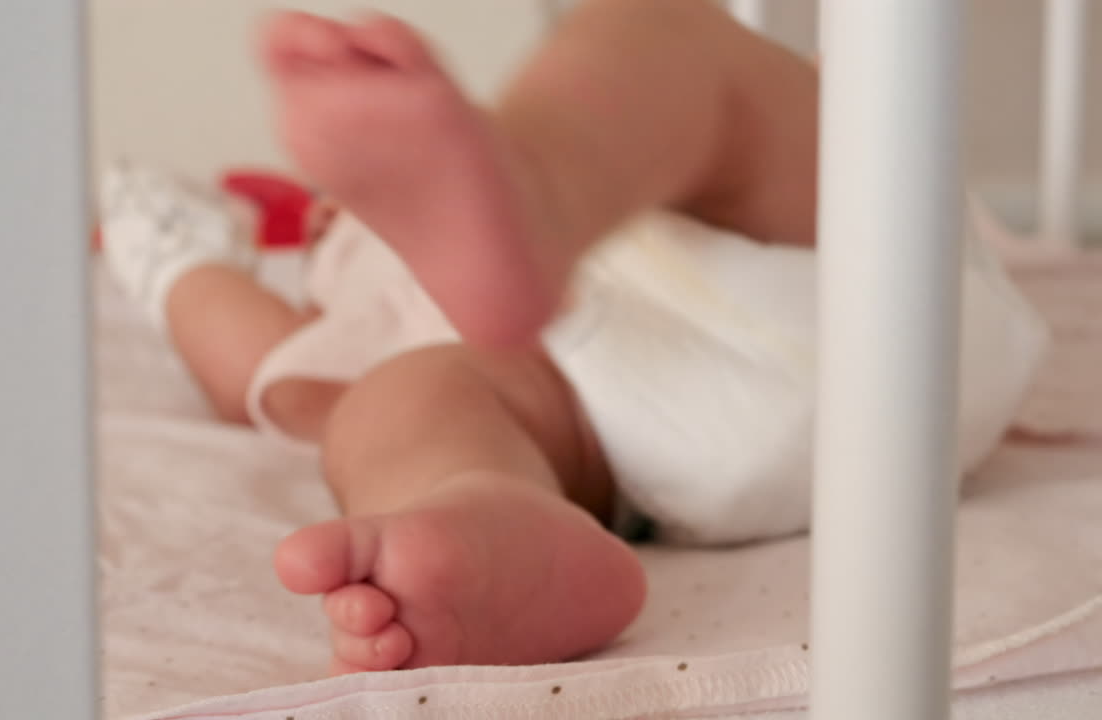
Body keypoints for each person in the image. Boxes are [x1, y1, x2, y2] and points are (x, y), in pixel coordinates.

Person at [100, 0, 1045, 675]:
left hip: (847, 272)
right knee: (411, 404)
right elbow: (253, 360)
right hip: (675, 404)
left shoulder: (465, 183)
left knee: (673, 52)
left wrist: (178, 262)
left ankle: (541, 201)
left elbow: (245, 360)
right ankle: (485, 509)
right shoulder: (352, 303)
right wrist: (158, 236)